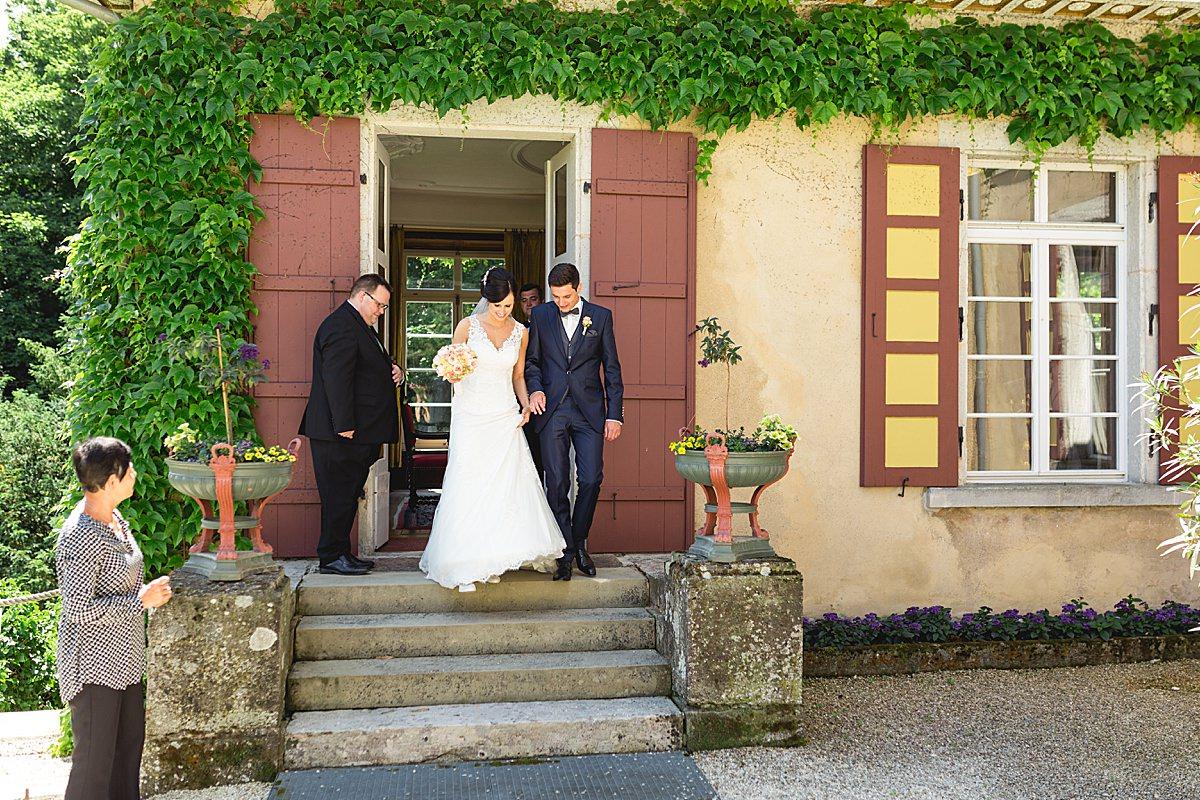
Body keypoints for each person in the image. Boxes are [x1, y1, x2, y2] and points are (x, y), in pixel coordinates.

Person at [419, 267, 565, 591]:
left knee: (503, 488)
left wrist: (526, 404)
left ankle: (494, 557)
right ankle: (464, 563)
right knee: (471, 484)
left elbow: (517, 376)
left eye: (508, 306)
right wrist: (453, 372)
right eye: (497, 305)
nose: (502, 312)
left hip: (504, 414)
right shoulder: (467, 326)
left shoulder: (521, 332)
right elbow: (452, 369)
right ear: (486, 300)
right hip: (472, 416)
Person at [57, 437, 172, 800]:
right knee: (93, 773)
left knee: (125, 765)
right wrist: (140, 600)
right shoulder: (79, 535)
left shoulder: (114, 519)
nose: (135, 473)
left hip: (125, 664)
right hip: (93, 670)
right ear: (109, 482)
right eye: (129, 469)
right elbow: (77, 608)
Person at [526, 262, 624, 581]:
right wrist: (536, 390)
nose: (561, 303)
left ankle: (579, 540)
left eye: (566, 297)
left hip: (589, 411)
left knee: (592, 478)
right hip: (552, 409)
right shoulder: (541, 315)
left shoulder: (601, 316)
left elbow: (611, 368)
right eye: (556, 297)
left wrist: (614, 414)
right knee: (556, 482)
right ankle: (567, 551)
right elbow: (532, 362)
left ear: (578, 288)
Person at [300, 274, 403, 576]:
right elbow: (337, 379)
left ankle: (340, 552)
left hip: (356, 433)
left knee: (346, 495)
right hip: (340, 434)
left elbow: (365, 368)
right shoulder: (341, 326)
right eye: (380, 305)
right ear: (363, 296)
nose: (381, 312)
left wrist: (394, 371)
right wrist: (344, 424)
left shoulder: (359, 326)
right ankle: (331, 556)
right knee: (338, 496)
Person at [518, 281, 545, 481]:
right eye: (524, 301)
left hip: (545, 400)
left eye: (533, 299)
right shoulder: (515, 331)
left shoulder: (551, 329)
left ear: (542, 301)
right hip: (518, 401)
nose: (528, 304)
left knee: (544, 459)